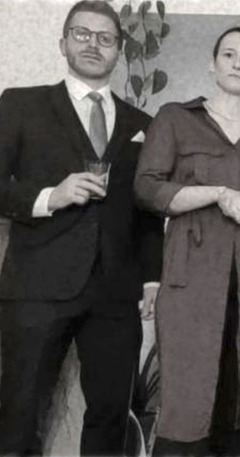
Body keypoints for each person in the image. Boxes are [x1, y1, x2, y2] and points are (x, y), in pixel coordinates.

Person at [0, 1, 164, 454]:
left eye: (106, 38)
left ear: (119, 51)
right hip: (38, 284)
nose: (94, 44)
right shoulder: (20, 104)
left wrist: (152, 278)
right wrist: (49, 196)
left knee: (111, 414)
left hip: (116, 292)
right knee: (19, 412)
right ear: (63, 43)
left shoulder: (142, 124)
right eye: (83, 34)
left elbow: (148, 211)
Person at [134, 26, 240, 455]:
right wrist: (218, 194)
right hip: (191, 283)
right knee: (188, 399)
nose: (238, 64)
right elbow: (147, 189)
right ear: (212, 64)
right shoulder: (175, 118)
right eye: (229, 54)